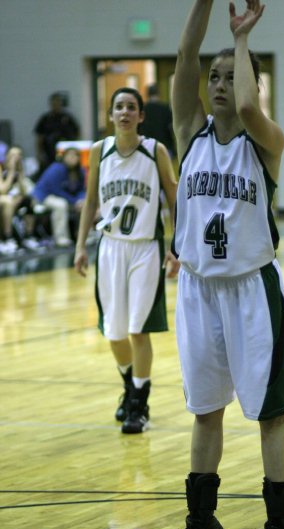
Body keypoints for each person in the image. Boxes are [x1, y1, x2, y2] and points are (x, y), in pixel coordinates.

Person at [170, 0, 284, 529]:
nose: (221, 85)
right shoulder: (186, 133)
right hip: (199, 291)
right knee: (206, 413)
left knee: (270, 416)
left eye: (231, 76)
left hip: (253, 293)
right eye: (215, 77)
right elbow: (183, 60)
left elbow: (249, 105)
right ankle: (202, 527)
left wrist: (243, 39)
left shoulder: (265, 141)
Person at [74, 87, 179, 434]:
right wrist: (79, 246)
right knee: (114, 332)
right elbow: (90, 202)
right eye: (118, 107)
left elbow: (175, 200)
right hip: (110, 247)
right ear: (110, 115)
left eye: (131, 107)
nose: (125, 112)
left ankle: (140, 403)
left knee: (137, 329)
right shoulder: (99, 151)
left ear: (141, 116)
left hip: (145, 249)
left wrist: (175, 246)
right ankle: (129, 386)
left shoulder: (155, 151)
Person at [33, 147, 86, 246]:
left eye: (75, 155)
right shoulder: (56, 169)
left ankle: (85, 236)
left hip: (67, 198)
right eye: (70, 155)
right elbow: (56, 190)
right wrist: (74, 201)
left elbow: (82, 189)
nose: (73, 158)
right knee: (61, 205)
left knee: (85, 204)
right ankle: (61, 238)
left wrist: (80, 200)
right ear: (64, 157)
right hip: (45, 195)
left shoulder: (80, 171)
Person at [0, 145, 40, 254]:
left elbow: (24, 191)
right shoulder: (1, 168)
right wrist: (11, 172)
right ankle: (7, 238)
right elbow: (3, 190)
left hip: (14, 201)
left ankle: (28, 236)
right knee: (8, 202)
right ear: (7, 156)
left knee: (28, 200)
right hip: (5, 202)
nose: (16, 158)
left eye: (18, 155)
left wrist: (21, 173)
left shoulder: (19, 171)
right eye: (13, 155)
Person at [34, 92, 80, 175]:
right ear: (50, 104)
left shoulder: (67, 118)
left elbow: (76, 133)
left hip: (66, 153)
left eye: (58, 102)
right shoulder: (45, 119)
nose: (56, 105)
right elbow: (39, 137)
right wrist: (40, 154)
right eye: (54, 103)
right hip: (49, 154)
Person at [139, 84, 176, 159]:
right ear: (159, 93)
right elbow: (171, 128)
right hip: (165, 146)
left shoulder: (143, 109)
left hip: (146, 146)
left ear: (147, 94)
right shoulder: (165, 108)